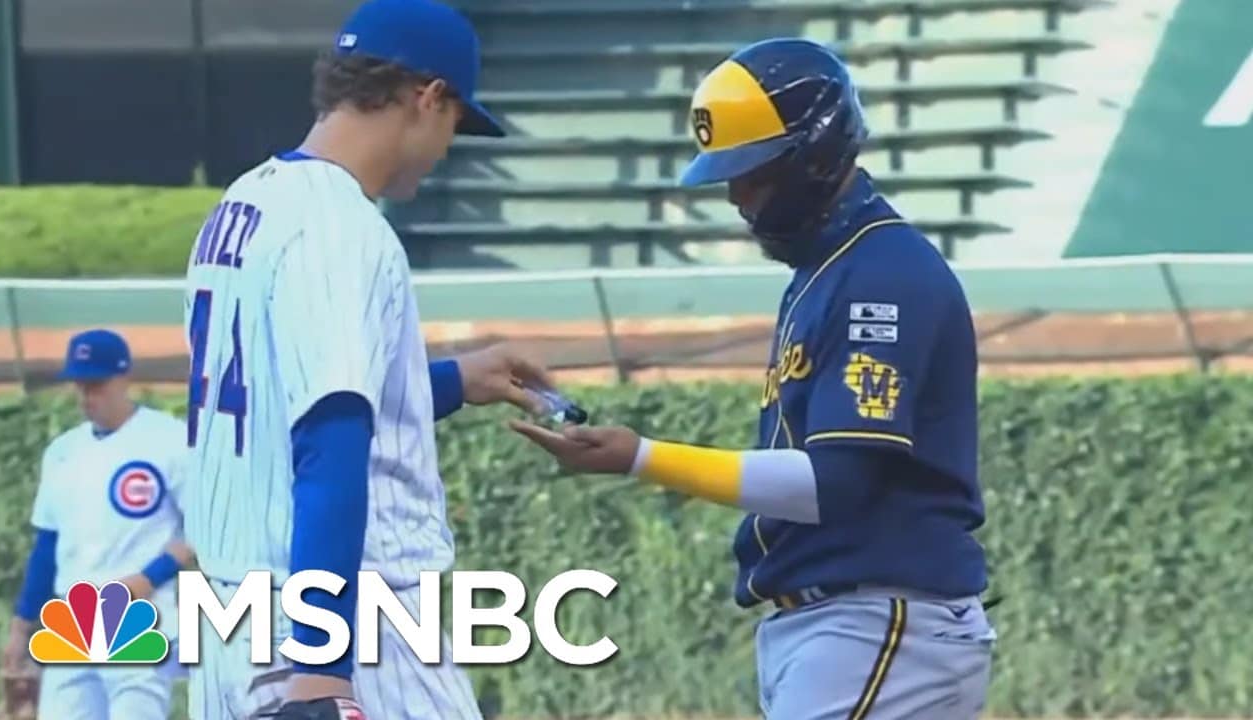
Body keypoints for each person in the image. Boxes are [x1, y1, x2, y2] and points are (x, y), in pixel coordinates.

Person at [510, 38, 997, 719]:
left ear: (814, 156)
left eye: (754, 173)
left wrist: (640, 456)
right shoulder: (828, 270)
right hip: (844, 625)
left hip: (875, 621)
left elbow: (833, 483)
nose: (737, 195)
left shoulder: (879, 274)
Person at [181, 1, 552, 719]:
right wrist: (322, 670)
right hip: (344, 625)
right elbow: (330, 445)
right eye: (453, 123)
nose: (447, 148)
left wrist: (450, 380)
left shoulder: (244, 202)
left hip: (229, 623)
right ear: (427, 97)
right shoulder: (342, 227)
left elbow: (280, 400)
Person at [0, 328, 194, 720]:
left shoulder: (171, 441)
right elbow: (47, 549)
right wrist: (20, 629)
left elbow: (202, 530)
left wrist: (148, 578)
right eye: (80, 385)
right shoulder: (62, 451)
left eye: (96, 384)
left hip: (138, 617)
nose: (87, 395)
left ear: (124, 377)